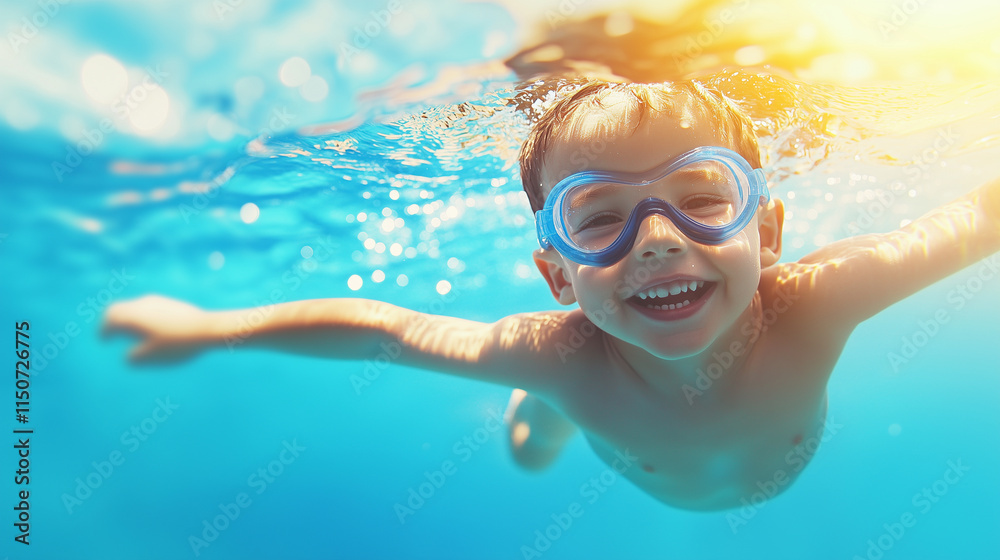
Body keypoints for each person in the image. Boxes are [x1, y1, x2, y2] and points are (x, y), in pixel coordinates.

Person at [103, 79, 1000, 511]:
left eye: (701, 200)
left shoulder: (822, 299)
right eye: (598, 218)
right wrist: (210, 327)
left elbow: (973, 217)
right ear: (560, 275)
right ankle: (542, 416)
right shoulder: (557, 348)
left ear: (764, 233)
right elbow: (383, 330)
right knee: (537, 440)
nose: (656, 240)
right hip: (580, 392)